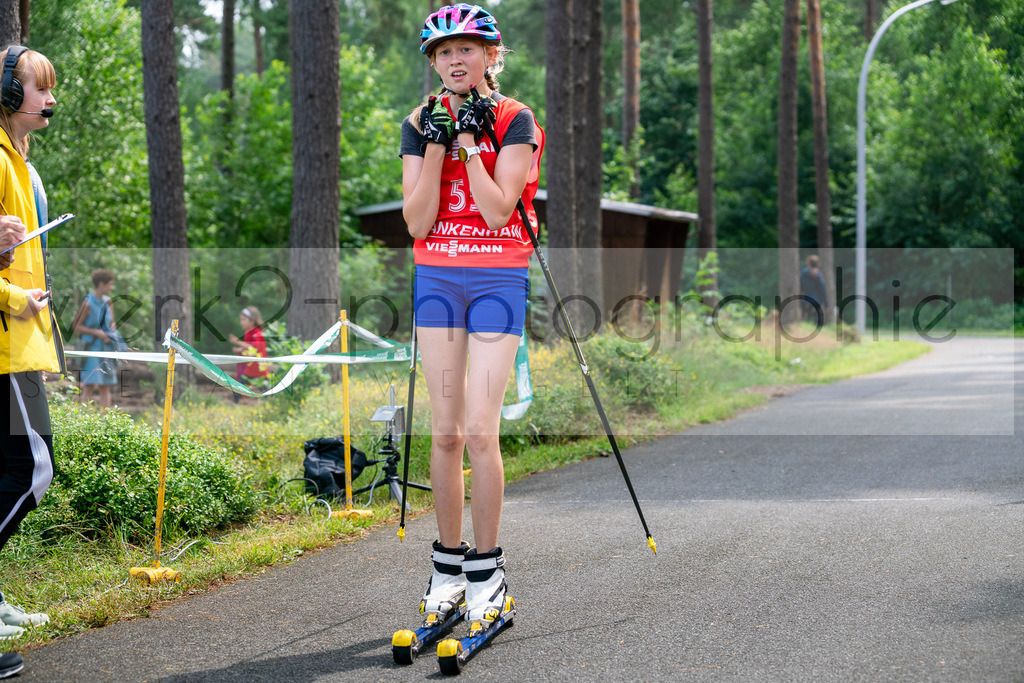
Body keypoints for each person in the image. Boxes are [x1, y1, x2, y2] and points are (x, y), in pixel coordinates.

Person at [400, 4, 544, 638]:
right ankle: (448, 572)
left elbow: (494, 211)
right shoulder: (415, 121)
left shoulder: (516, 118)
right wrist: (434, 145)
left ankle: (489, 574)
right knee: (446, 433)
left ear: (491, 54)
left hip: (496, 277)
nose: (456, 60)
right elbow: (416, 221)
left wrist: (470, 145)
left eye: (468, 48)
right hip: (436, 276)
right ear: (434, 62)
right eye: (444, 52)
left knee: (482, 431)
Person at [0, 44, 61, 677]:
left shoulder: (18, 161)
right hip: (5, 339)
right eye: (38, 87)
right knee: (32, 471)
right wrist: (17, 296)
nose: (49, 98)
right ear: (7, 94)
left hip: (16, 338)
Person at [72, 269, 120, 408]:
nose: (112, 288)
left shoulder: (108, 301)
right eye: (110, 284)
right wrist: (97, 333)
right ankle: (83, 419)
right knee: (89, 384)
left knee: (106, 385)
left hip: (106, 348)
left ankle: (105, 420)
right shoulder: (87, 303)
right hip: (91, 348)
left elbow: (112, 322)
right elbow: (76, 326)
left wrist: (110, 333)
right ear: (101, 284)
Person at [228, 306, 269, 402]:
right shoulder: (248, 332)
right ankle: (234, 406)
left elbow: (254, 349)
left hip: (260, 369)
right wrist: (239, 350)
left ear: (252, 321)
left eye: (244, 319)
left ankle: (270, 406)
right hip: (250, 369)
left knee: (266, 392)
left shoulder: (258, 334)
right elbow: (248, 348)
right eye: (241, 319)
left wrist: (237, 341)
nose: (241, 322)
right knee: (238, 389)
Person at [799, 254, 829, 328]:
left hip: (805, 300)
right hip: (816, 301)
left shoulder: (802, 274)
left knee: (805, 319)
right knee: (817, 321)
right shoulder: (819, 275)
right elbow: (822, 291)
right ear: (818, 263)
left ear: (808, 263)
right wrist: (826, 304)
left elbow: (800, 287)